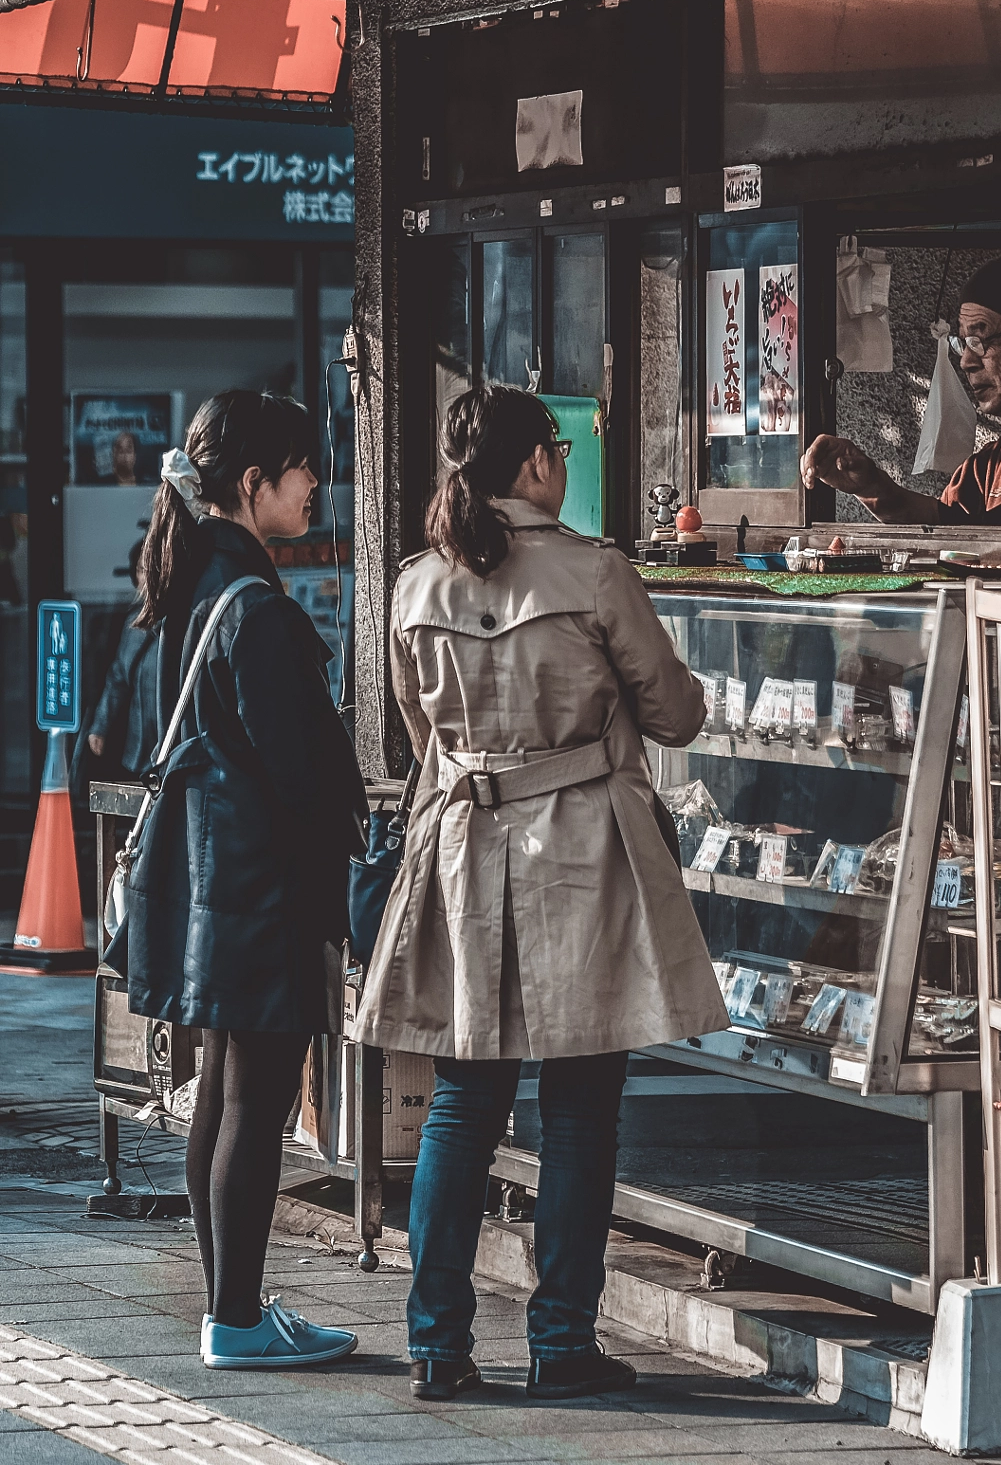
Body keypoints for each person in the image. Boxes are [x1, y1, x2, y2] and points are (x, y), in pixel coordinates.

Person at [353, 384, 727, 1403]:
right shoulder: (596, 569)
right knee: (580, 1108)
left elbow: (413, 727)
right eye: (556, 450)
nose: (561, 464)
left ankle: (438, 1342)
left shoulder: (415, 583)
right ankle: (561, 1341)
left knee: (462, 1102)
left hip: (465, 845)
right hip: (583, 851)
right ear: (532, 465)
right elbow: (676, 710)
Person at [126, 390, 368, 1372]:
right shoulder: (252, 608)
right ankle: (234, 1317)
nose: (318, 482)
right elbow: (297, 770)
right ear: (253, 483)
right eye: (303, 467)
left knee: (222, 1088)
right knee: (253, 1098)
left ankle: (234, 1304)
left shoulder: (197, 585)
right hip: (262, 888)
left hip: (215, 884)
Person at [802, 239, 1001, 526]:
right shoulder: (989, 465)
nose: (966, 361)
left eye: (980, 340)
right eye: (963, 343)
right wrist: (870, 485)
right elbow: (942, 526)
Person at [85, 543, 159, 779]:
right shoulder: (133, 624)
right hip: (139, 744)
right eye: (140, 570)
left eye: (152, 570)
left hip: (172, 744)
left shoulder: (186, 623)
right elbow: (118, 678)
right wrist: (100, 726)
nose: (145, 578)